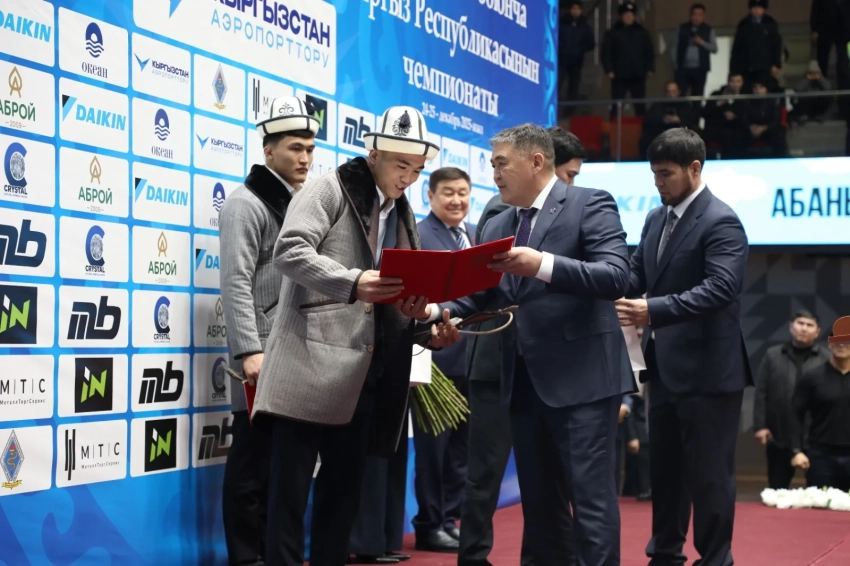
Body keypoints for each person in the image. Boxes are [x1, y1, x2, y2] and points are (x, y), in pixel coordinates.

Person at [252, 105, 462, 566]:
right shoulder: (328, 187)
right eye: (401, 164)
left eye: (417, 169)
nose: (408, 177)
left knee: (343, 499)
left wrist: (426, 325)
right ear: (374, 154)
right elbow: (289, 251)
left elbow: (394, 295)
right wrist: (352, 282)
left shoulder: (401, 212)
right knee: (288, 499)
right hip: (307, 366)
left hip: (366, 374)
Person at [425, 123, 635, 565]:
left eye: (502, 164)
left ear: (536, 161)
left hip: (583, 383)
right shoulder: (499, 222)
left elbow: (617, 276)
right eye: (493, 164)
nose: (495, 174)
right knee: (540, 506)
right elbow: (479, 296)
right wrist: (434, 313)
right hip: (521, 384)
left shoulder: (589, 203)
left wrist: (543, 264)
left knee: (590, 503)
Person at [615, 128, 752, 566]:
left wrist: (652, 309)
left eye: (666, 174)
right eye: (654, 174)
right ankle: (665, 553)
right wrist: (590, 276)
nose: (658, 183)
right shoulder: (656, 219)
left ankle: (715, 558)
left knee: (710, 475)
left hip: (711, 372)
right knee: (666, 470)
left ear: (694, 168)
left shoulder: (722, 220)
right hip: (664, 368)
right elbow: (634, 276)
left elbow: (721, 288)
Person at [457, 126, 589, 566]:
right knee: (485, 474)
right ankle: (473, 558)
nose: (569, 186)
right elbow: (481, 291)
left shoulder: (579, 211)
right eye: (569, 175)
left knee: (545, 478)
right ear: (544, 165)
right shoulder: (504, 213)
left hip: (545, 366)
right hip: (495, 360)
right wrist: (441, 312)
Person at [219, 95, 317, 566]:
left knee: (284, 469)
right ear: (268, 150)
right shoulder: (245, 204)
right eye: (295, 148)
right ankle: (246, 559)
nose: (304, 158)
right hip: (261, 355)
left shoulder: (301, 203)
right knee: (251, 465)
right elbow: (235, 281)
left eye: (310, 149)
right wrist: (248, 351)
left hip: (296, 352)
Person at [410, 167, 474, 553]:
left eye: (463, 192)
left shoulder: (476, 234)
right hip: (433, 359)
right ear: (430, 196)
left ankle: (450, 518)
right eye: (448, 192)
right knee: (433, 452)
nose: (456, 200)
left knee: (461, 450)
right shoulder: (418, 235)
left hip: (472, 359)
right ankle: (430, 523)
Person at [753, 311, 828, 490]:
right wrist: (760, 425)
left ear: (817, 331)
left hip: (816, 436)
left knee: (820, 491)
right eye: (800, 323)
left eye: (809, 325)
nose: (804, 328)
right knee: (777, 489)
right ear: (791, 326)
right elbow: (761, 391)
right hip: (779, 433)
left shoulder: (826, 359)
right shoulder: (773, 355)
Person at [791, 319, 850, 491]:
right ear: (829, 344)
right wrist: (797, 451)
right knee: (820, 506)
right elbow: (795, 414)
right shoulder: (812, 377)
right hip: (821, 457)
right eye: (836, 339)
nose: (841, 344)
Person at [601, 2, 655, 117]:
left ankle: (642, 126)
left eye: (631, 14)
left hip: (638, 74)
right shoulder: (613, 32)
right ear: (621, 16)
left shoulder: (642, 32)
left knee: (640, 105)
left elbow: (649, 51)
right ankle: (614, 126)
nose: (628, 17)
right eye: (626, 14)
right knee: (616, 105)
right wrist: (609, 69)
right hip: (619, 75)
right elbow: (606, 53)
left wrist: (650, 68)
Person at [730, 0, 783, 86]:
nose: (757, 10)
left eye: (759, 8)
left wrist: (775, 64)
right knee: (747, 89)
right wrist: (734, 69)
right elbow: (736, 48)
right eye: (754, 8)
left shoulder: (770, 23)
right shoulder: (744, 24)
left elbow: (776, 46)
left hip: (765, 66)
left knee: (763, 88)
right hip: (746, 66)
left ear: (764, 9)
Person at [671, 3, 718, 100]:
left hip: (700, 69)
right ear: (690, 15)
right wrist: (675, 63)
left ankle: (696, 110)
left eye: (699, 15)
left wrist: (702, 42)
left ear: (704, 16)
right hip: (682, 68)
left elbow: (714, 49)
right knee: (680, 96)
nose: (696, 17)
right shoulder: (682, 28)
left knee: (698, 96)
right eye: (694, 14)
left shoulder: (708, 29)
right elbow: (674, 46)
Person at [558, 1, 595, 119]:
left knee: (573, 90)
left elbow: (591, 43)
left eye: (578, 9)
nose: (575, 11)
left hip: (576, 63)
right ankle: (554, 112)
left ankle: (569, 114)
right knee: (557, 87)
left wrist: (579, 49)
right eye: (573, 8)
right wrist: (562, 48)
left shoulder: (584, 26)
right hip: (562, 62)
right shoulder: (562, 23)